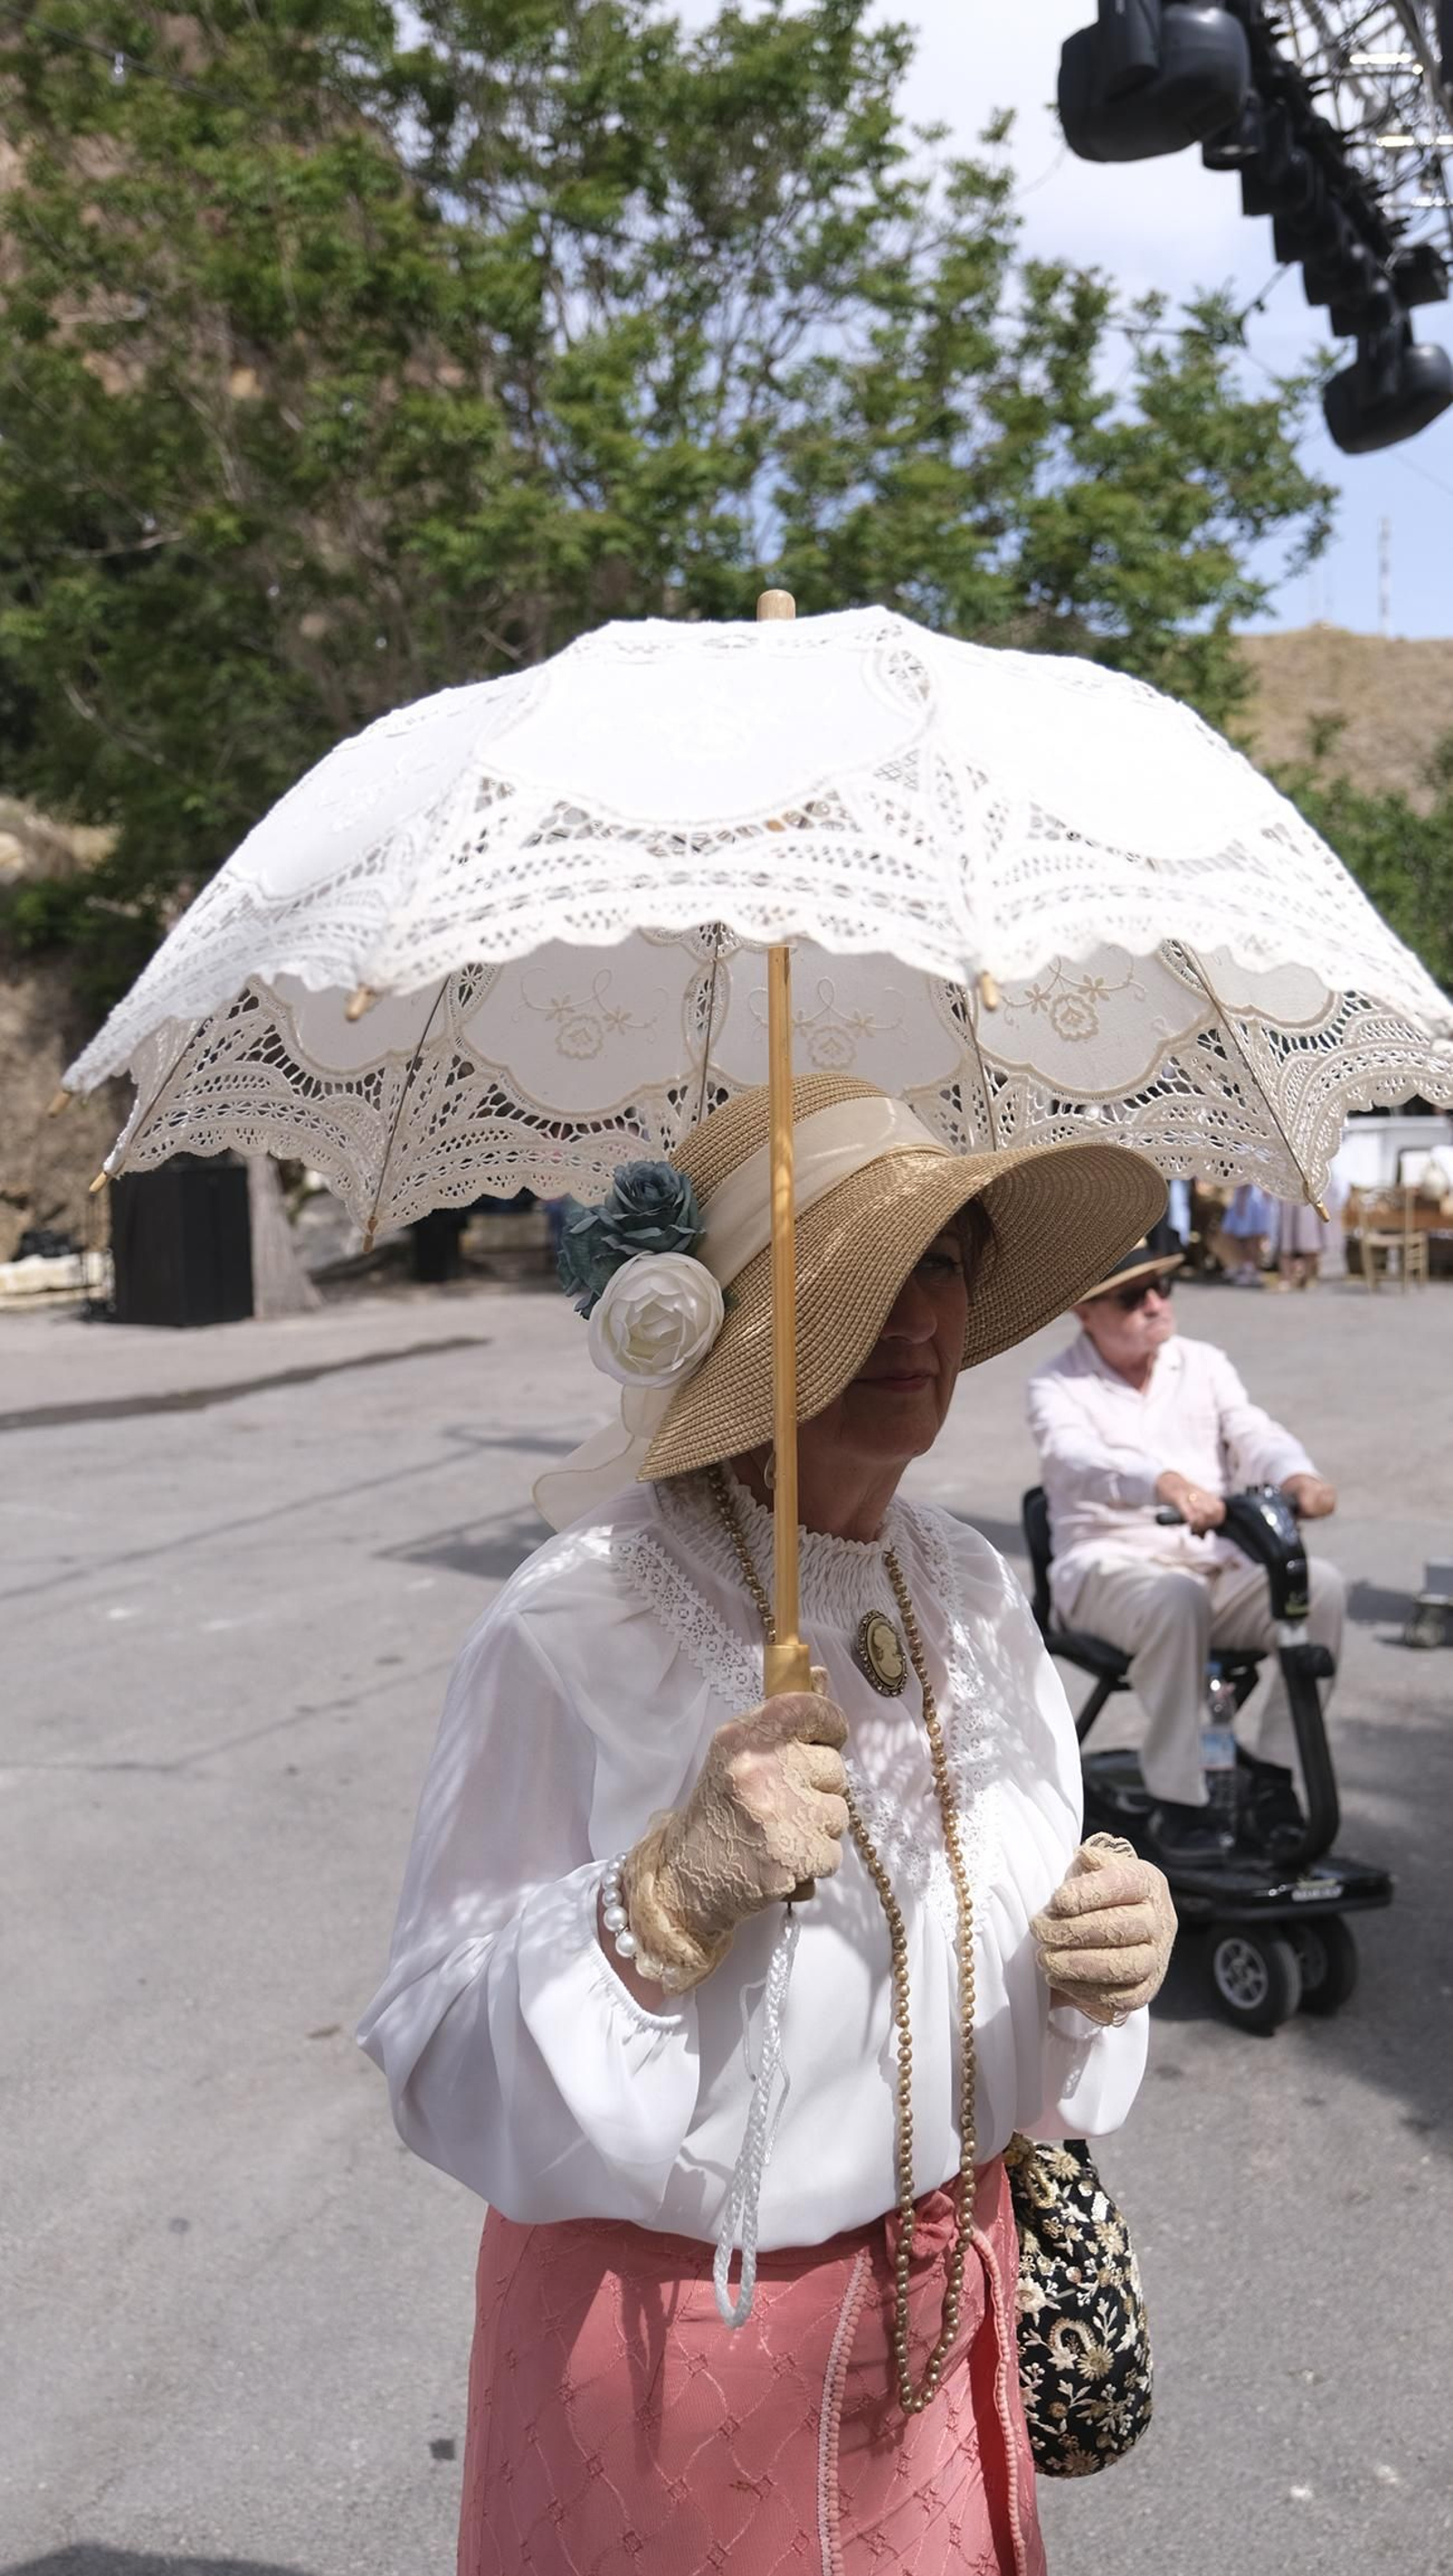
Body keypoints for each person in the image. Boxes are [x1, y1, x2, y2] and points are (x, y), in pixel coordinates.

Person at [359, 1072, 1178, 2576]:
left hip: (945, 2321)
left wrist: (1099, 1952)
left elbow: (1017, 1916)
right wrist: (657, 1905)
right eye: (858, 1273)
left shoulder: (973, 1592)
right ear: (735, 1322)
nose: (917, 1314)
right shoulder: (581, 1619)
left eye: (944, 1260)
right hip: (678, 2368)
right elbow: (431, 2043)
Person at [1025, 1232, 1342, 1863]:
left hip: (1212, 1564)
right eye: (1132, 1297)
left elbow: (1253, 1431)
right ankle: (1179, 1797)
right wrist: (1162, 1481)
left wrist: (1298, 1476)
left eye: (1160, 1287)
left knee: (1320, 1587)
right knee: (1175, 1599)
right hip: (1108, 1565)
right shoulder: (1055, 1385)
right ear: (1085, 1311)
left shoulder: (1202, 1362)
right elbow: (1077, 1458)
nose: (1154, 1303)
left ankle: (1275, 1775)